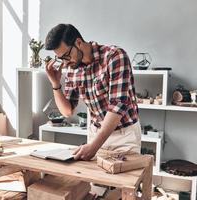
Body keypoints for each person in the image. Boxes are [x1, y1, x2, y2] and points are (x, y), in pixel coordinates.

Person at [44, 24, 141, 161]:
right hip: (95, 133)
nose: (65, 64)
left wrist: (94, 146)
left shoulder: (114, 56)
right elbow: (67, 111)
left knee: (123, 181)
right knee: (95, 182)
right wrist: (55, 83)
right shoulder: (73, 68)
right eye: (61, 59)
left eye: (66, 56)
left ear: (78, 42)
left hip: (123, 136)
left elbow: (117, 106)